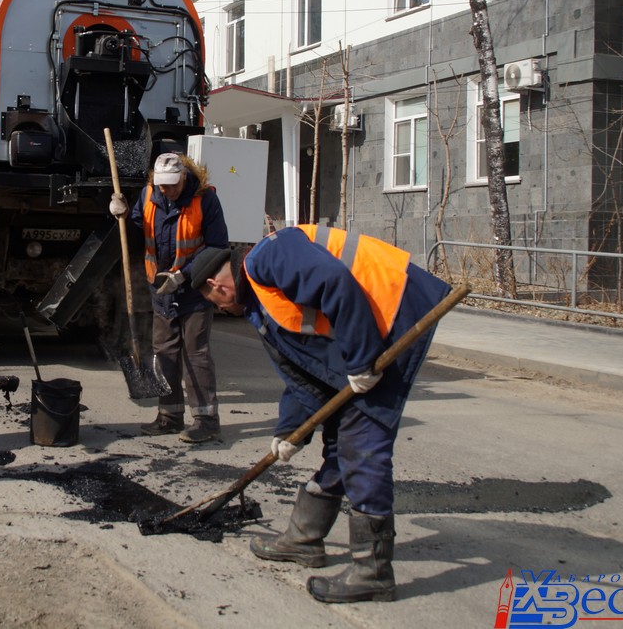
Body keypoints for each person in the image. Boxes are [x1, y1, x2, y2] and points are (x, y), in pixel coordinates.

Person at [192, 225, 451, 603]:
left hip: (392, 314)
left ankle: (372, 572)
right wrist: (289, 430)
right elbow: (305, 370)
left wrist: (361, 360)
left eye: (215, 302)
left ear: (217, 285)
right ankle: (304, 538)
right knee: (340, 436)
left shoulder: (267, 256)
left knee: (361, 442)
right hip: (371, 329)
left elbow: (335, 283)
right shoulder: (260, 301)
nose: (220, 309)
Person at [110, 151, 228, 443]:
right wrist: (121, 217)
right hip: (161, 290)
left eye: (172, 185)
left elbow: (217, 247)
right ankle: (170, 416)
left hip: (194, 289)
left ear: (183, 177)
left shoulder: (205, 200)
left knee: (195, 354)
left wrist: (184, 275)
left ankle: (206, 421)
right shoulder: (148, 196)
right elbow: (134, 238)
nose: (167, 190)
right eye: (162, 185)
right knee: (164, 352)